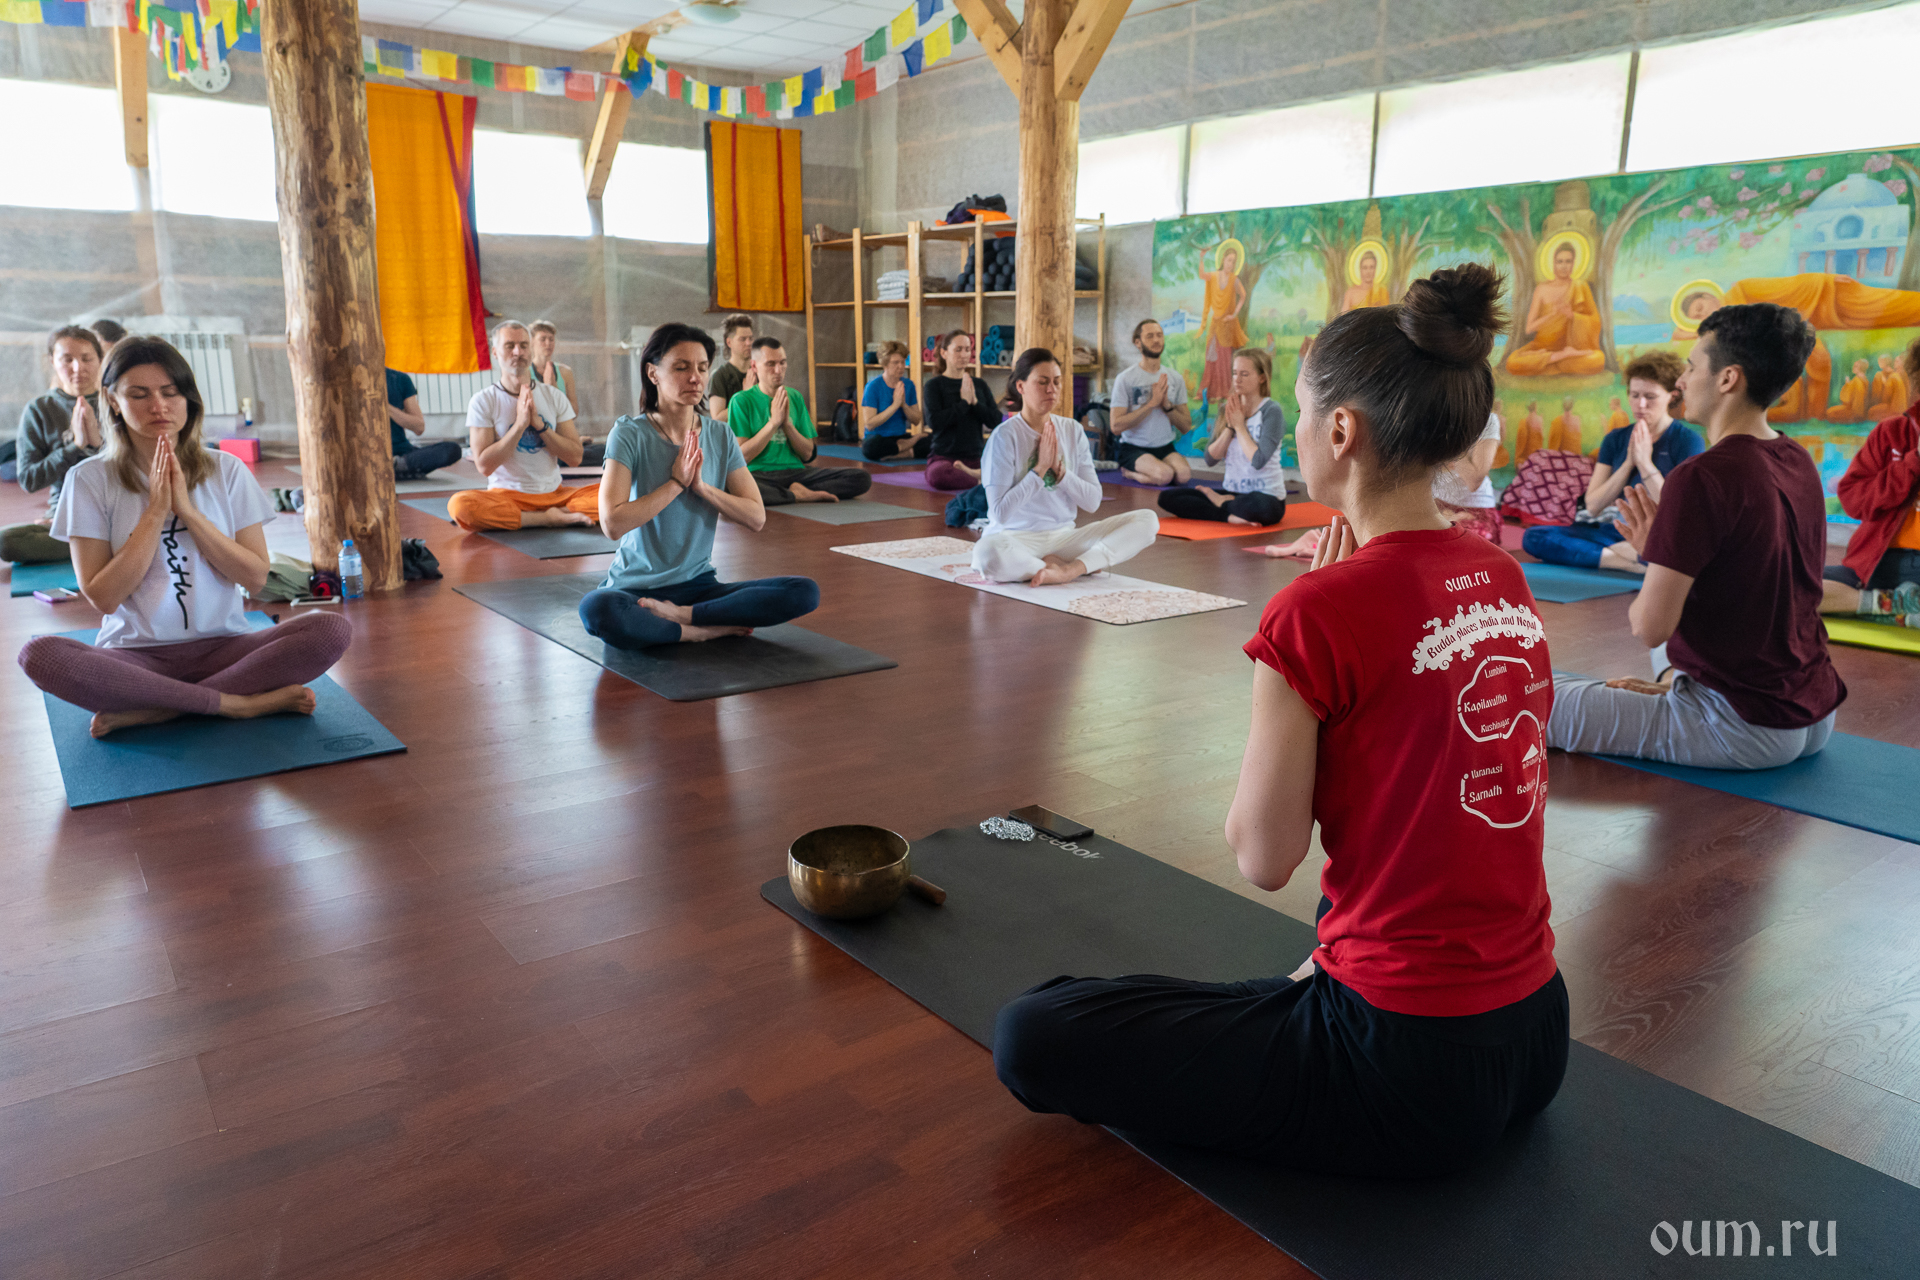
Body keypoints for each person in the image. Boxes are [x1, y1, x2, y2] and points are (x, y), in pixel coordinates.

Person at [993, 265, 1567, 1179]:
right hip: (1536, 1035)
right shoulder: (1500, 575)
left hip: (1405, 1064)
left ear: (1340, 431)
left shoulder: (1315, 612)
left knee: (1035, 1031)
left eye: (1300, 411)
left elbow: (1263, 859)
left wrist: (1301, 640)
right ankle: (1323, 980)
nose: (1295, 429)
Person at [1547, 303, 1844, 770]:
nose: (1682, 382)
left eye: (1690, 367)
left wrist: (1654, 558)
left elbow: (1649, 627)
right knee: (1665, 652)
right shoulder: (1796, 458)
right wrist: (1663, 550)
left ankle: (1682, 693)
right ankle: (1677, 684)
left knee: (1522, 702)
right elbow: (1757, 587)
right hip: (1813, 709)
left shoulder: (1701, 475)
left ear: (1728, 378)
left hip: (1740, 725)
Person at [15, 337, 351, 739]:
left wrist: (189, 513)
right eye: (139, 394)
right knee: (41, 656)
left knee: (331, 630)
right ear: (113, 401)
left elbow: (255, 578)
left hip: (225, 649)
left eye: (170, 392)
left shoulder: (226, 470)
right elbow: (103, 597)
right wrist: (156, 511)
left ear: (188, 399)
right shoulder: (88, 479)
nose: (158, 405)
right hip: (135, 656)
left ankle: (159, 709)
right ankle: (236, 704)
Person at [578, 323, 819, 649]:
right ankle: (700, 630)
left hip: (698, 586)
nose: (695, 377)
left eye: (702, 368)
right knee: (596, 609)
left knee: (804, 591)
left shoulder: (720, 435)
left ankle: (684, 617)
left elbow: (756, 517)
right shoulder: (629, 434)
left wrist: (703, 488)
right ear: (653, 373)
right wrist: (676, 483)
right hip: (634, 588)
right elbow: (612, 524)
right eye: (681, 368)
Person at [972, 348, 1158, 587]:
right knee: (986, 554)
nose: (1051, 389)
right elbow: (999, 513)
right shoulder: (1004, 436)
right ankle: (1052, 567)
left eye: (1057, 382)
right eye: (1042, 382)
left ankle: (1069, 570)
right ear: (1021, 386)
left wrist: (1061, 474)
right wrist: (1039, 470)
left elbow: (1092, 502)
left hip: (1063, 538)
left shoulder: (1072, 430)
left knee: (1147, 520)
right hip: (1015, 539)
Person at [1521, 352, 1703, 575]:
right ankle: (1632, 562)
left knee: (1687, 552)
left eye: (1650, 397)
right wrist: (1628, 464)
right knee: (1534, 537)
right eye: (1634, 395)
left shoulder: (1688, 441)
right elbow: (1593, 506)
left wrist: (1645, 463)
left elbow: (1678, 510)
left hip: (1659, 535)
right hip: (1615, 531)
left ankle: (1629, 556)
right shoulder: (1615, 439)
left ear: (1672, 396)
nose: (1640, 404)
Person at [448, 321, 596, 532]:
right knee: (461, 506)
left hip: (555, 494)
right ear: (495, 352)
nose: (518, 352)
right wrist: (519, 425)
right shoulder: (483, 401)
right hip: (507, 496)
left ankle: (547, 513)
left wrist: (540, 426)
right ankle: (546, 518)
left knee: (616, 495)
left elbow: (575, 457)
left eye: (524, 345)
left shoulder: (554, 396)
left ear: (530, 349)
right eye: (510, 346)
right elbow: (484, 466)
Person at [1821, 336, 1920, 619]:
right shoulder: (1892, 432)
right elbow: (1854, 501)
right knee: (1780, 585)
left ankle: (1885, 606)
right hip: (1873, 564)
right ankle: (1890, 605)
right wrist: (1913, 461)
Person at [4, 325, 108, 565]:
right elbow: (29, 480)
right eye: (67, 359)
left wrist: (98, 444)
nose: (77, 368)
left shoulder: (115, 402)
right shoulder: (39, 409)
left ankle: (88, 545)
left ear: (99, 359)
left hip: (113, 512)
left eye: (86, 358)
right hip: (64, 516)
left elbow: (134, 469)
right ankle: (95, 546)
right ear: (52, 361)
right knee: (6, 541)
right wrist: (75, 447)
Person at [726, 337, 872, 505]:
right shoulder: (741, 400)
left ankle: (789, 493)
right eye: (770, 364)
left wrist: (788, 425)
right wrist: (773, 423)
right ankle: (797, 495)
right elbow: (742, 457)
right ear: (754, 366)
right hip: (759, 474)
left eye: (782, 363)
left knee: (861, 478)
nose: (778, 370)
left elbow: (808, 454)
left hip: (796, 473)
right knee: (729, 485)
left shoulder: (794, 397)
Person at [1157, 348, 1285, 525]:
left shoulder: (1272, 411)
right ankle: (1228, 514)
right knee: (1167, 497)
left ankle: (1222, 505)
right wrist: (1230, 428)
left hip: (1265, 496)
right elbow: (1210, 459)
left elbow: (1258, 460)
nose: (1237, 379)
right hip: (1232, 492)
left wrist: (1240, 426)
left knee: (1263, 507)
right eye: (1235, 373)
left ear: (1262, 378)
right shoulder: (1227, 408)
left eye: (1244, 374)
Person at [1109, 320, 1193, 486]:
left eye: (1159, 335)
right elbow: (1115, 426)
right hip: (1133, 448)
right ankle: (1130, 473)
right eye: (1150, 336)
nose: (1156, 340)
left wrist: (1167, 406)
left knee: (1184, 476)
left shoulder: (1175, 378)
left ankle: (1154, 470)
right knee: (1165, 476)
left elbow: (1185, 426)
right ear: (1138, 343)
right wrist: (1150, 405)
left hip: (1165, 447)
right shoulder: (1125, 378)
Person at [1506, 241, 1605, 376]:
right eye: (1560, 261)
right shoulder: (1541, 289)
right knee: (1512, 362)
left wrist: (1572, 316)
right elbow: (1529, 328)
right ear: (1553, 263)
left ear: (1573, 264)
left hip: (1570, 346)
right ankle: (1561, 357)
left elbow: (1595, 321)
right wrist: (1551, 315)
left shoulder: (1580, 287)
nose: (1564, 266)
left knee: (1597, 359)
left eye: (1568, 261)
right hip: (1541, 347)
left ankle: (1549, 361)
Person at [923, 331, 999, 491]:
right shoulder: (934, 386)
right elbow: (934, 422)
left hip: (976, 457)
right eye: (958, 350)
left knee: (1008, 469)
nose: (964, 354)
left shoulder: (979, 384)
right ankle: (980, 480)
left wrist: (975, 403)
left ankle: (975, 476)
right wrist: (964, 403)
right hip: (945, 458)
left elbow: (995, 421)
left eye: (967, 349)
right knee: (938, 475)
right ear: (944, 353)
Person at [1434, 411, 1505, 543]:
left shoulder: (1486, 419)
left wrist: (1453, 446)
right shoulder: (1426, 413)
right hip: (1432, 506)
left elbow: (1473, 481)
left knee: (1463, 542)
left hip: (1473, 511)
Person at [383, 368, 463, 482]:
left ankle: (393, 466)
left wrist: (385, 406)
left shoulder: (399, 379)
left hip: (401, 453)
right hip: (368, 454)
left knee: (452, 449)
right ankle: (399, 470)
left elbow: (419, 427)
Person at [859, 341, 927, 461]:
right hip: (878, 438)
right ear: (885, 364)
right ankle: (908, 448)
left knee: (934, 441)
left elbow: (916, 420)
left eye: (903, 362)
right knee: (870, 448)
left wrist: (903, 404)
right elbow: (870, 424)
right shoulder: (873, 387)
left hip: (900, 437)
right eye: (896, 362)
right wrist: (895, 405)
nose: (901, 366)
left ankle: (900, 452)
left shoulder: (909, 385)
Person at [706, 314, 756, 419]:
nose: (748, 343)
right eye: (742, 339)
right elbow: (718, 419)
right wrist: (744, 396)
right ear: (729, 342)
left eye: (750, 338)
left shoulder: (759, 373)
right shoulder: (720, 376)